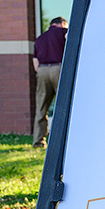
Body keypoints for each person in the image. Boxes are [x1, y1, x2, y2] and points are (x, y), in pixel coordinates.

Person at [33, 16, 68, 147]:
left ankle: (38, 141)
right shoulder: (64, 32)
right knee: (64, 105)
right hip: (59, 69)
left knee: (41, 108)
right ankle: (64, 140)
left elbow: (35, 63)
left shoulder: (40, 38)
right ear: (62, 23)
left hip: (42, 71)